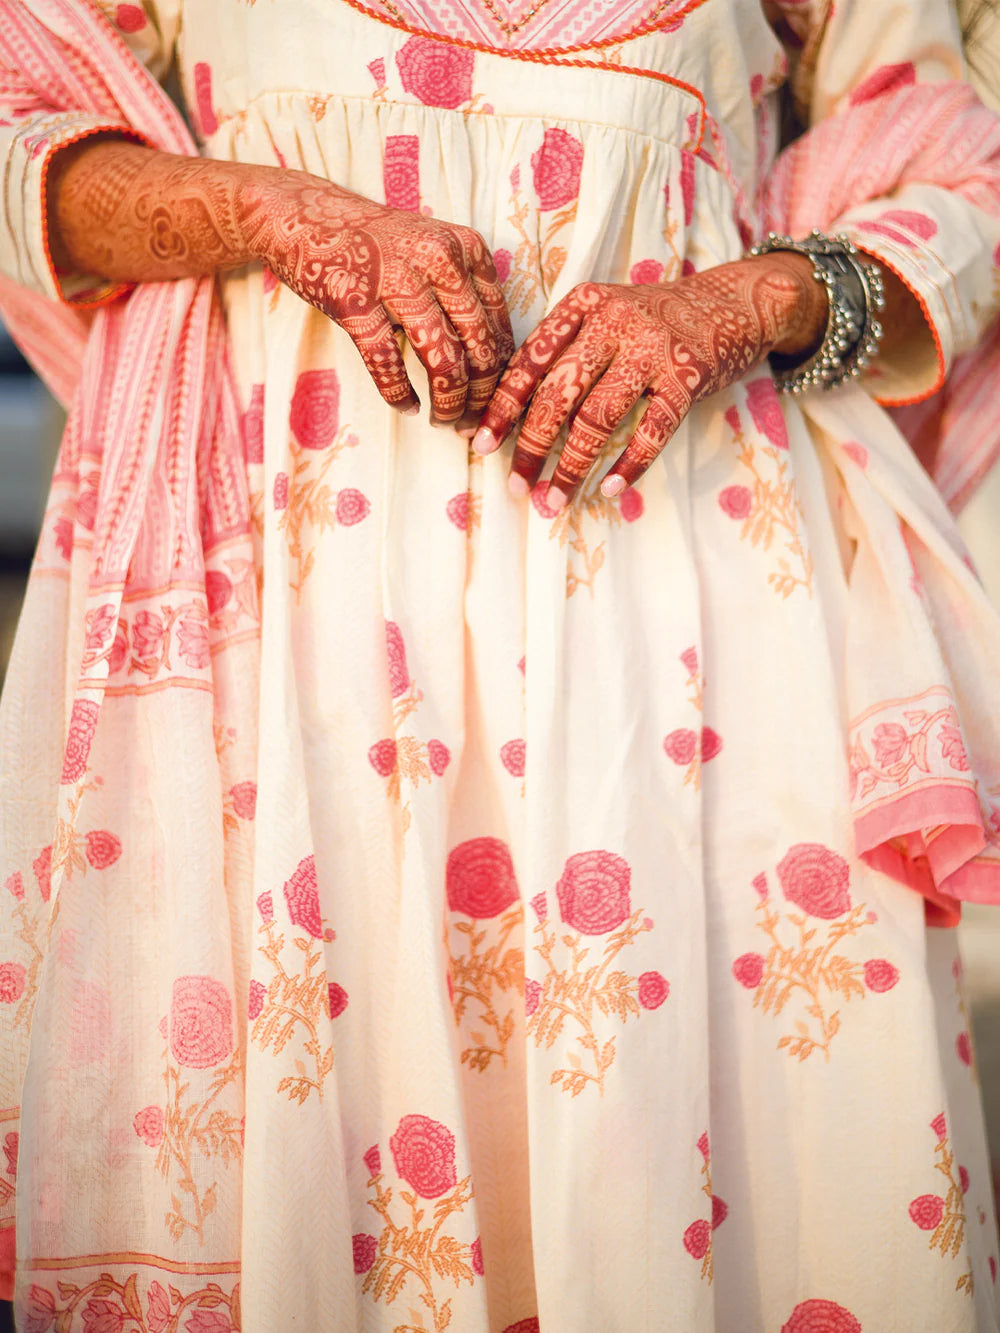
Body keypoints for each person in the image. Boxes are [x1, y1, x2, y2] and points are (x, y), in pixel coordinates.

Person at [2, 0, 1000, 1328]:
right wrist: (284, 215)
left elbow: (963, 171)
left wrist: (744, 298)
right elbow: (22, 144)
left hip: (686, 655)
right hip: (301, 639)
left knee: (694, 1174)